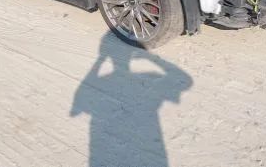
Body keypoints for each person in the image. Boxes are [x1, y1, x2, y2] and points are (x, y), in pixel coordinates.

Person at [71, 33, 193, 167]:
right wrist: (151, 58)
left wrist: (99, 61)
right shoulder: (149, 76)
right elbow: (185, 81)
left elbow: (82, 97)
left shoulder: (106, 80)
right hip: (149, 132)